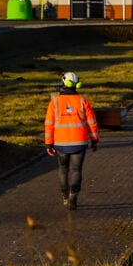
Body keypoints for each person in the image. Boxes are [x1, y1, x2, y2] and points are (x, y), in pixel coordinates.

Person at [45, 71, 99, 210]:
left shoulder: (54, 102)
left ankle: (65, 197)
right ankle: (73, 196)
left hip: (61, 143)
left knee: (63, 170)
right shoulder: (83, 101)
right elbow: (92, 122)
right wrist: (94, 140)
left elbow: (49, 124)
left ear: (63, 83)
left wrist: (48, 143)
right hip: (79, 143)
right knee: (76, 170)